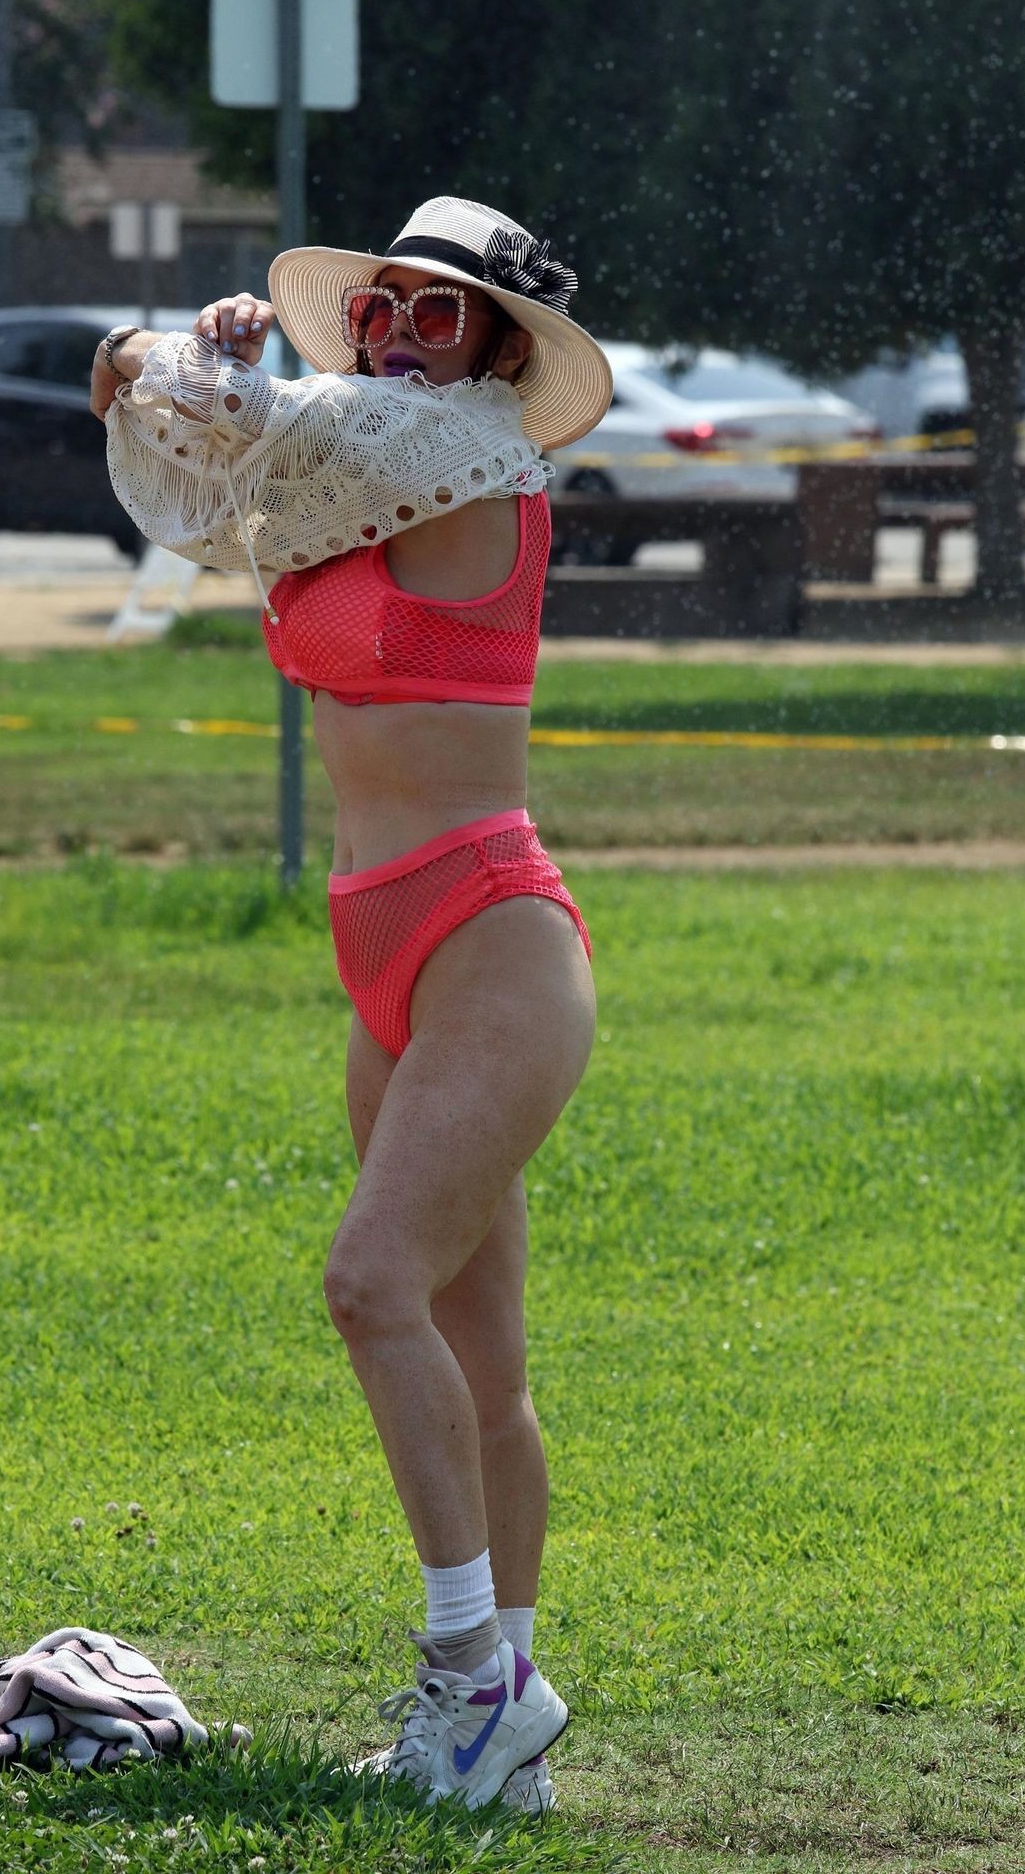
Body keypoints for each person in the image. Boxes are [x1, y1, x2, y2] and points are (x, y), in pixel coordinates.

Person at [91, 197, 613, 1817]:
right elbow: (202, 455)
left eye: (436, 312)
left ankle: (474, 1678)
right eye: (380, 306)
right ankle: (500, 1748)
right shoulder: (354, 478)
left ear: (501, 352)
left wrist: (182, 355)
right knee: (478, 1355)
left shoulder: (473, 455)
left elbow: (244, 416)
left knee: (370, 1285)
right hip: (378, 940)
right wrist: (162, 361)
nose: (396, 331)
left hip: (486, 931)